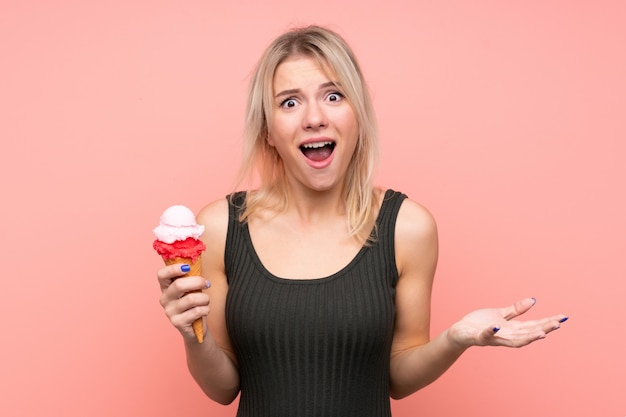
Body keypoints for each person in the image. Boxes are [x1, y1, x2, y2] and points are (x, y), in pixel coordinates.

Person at [156, 25, 568, 417]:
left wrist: (455, 338)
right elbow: (222, 389)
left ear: (357, 115)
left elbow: (399, 377)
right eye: (290, 102)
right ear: (268, 129)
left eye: (333, 96)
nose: (314, 118)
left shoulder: (407, 227)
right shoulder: (221, 227)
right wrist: (193, 334)